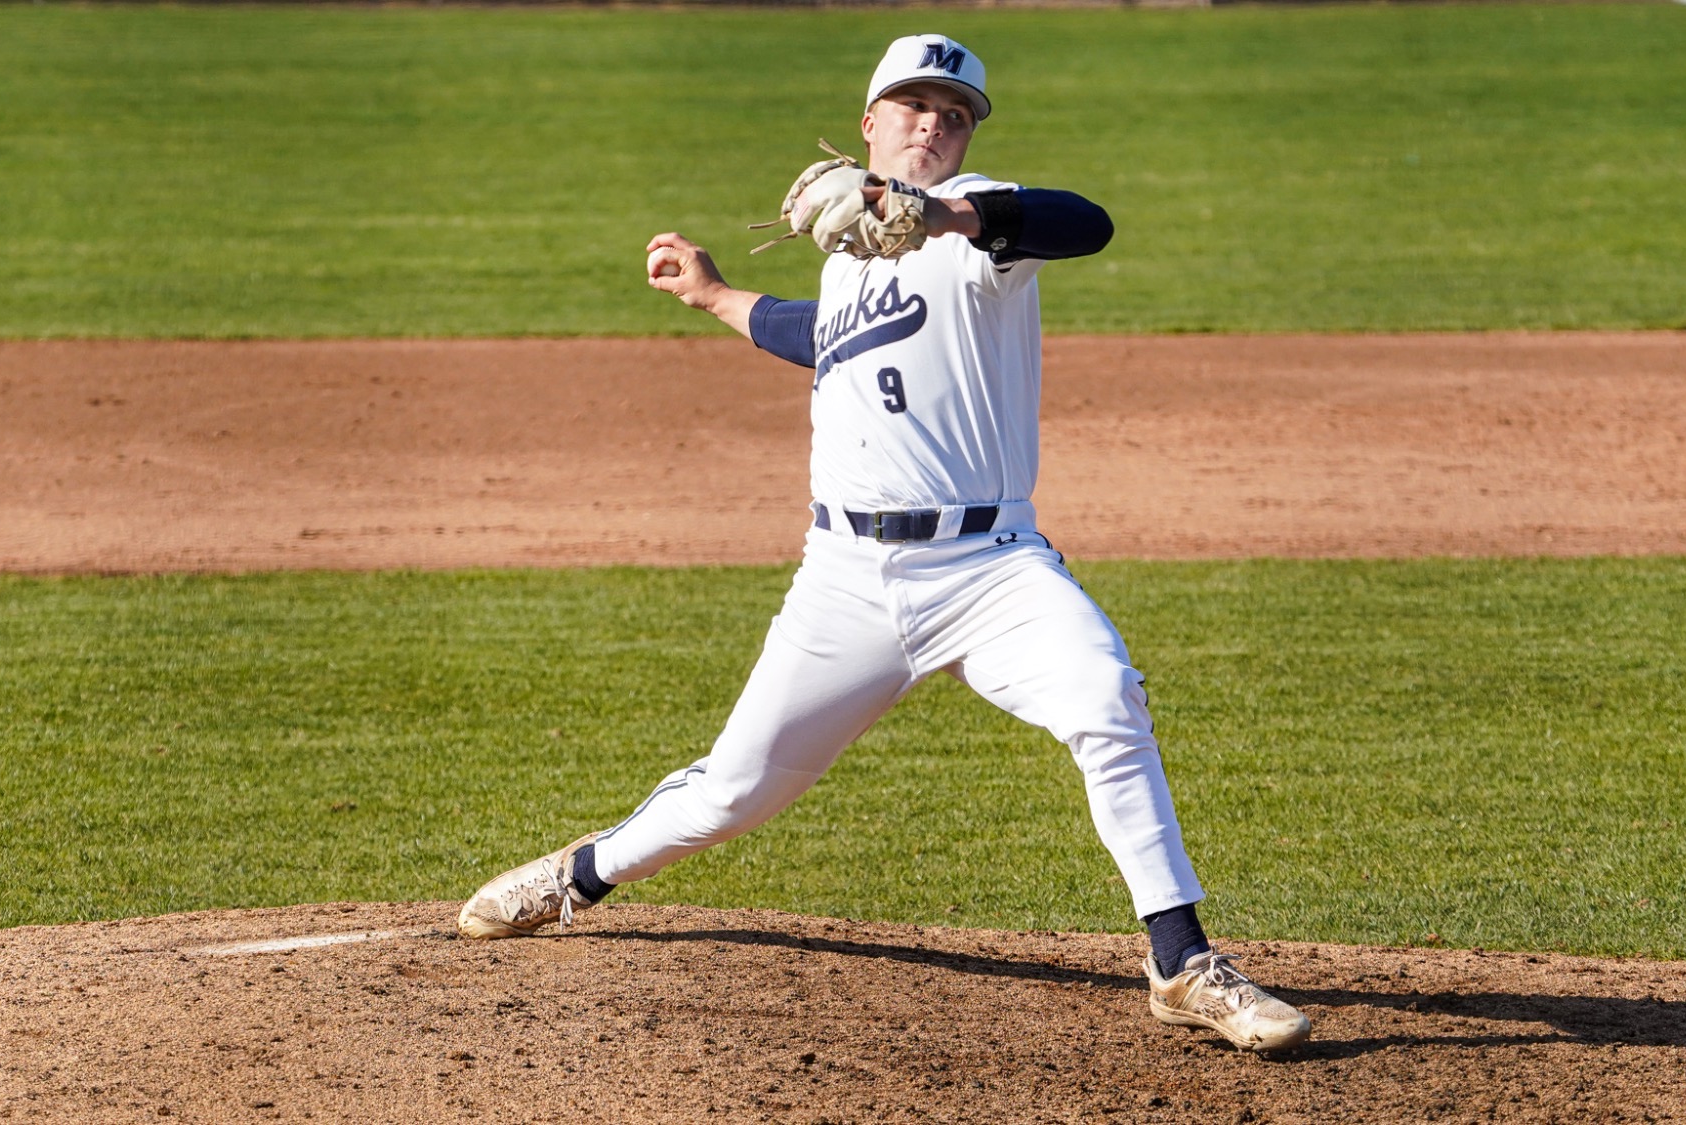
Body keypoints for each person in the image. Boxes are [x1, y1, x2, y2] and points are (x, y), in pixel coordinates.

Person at [457, 34, 1310, 1052]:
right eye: (913, 106)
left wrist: (949, 213)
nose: (934, 124)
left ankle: (1180, 961)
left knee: (1103, 699)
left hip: (989, 571)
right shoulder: (850, 250)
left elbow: (1088, 224)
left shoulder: (984, 224)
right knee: (733, 790)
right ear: (868, 123)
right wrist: (715, 296)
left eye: (953, 113)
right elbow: (830, 337)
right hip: (846, 585)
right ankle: (578, 876)